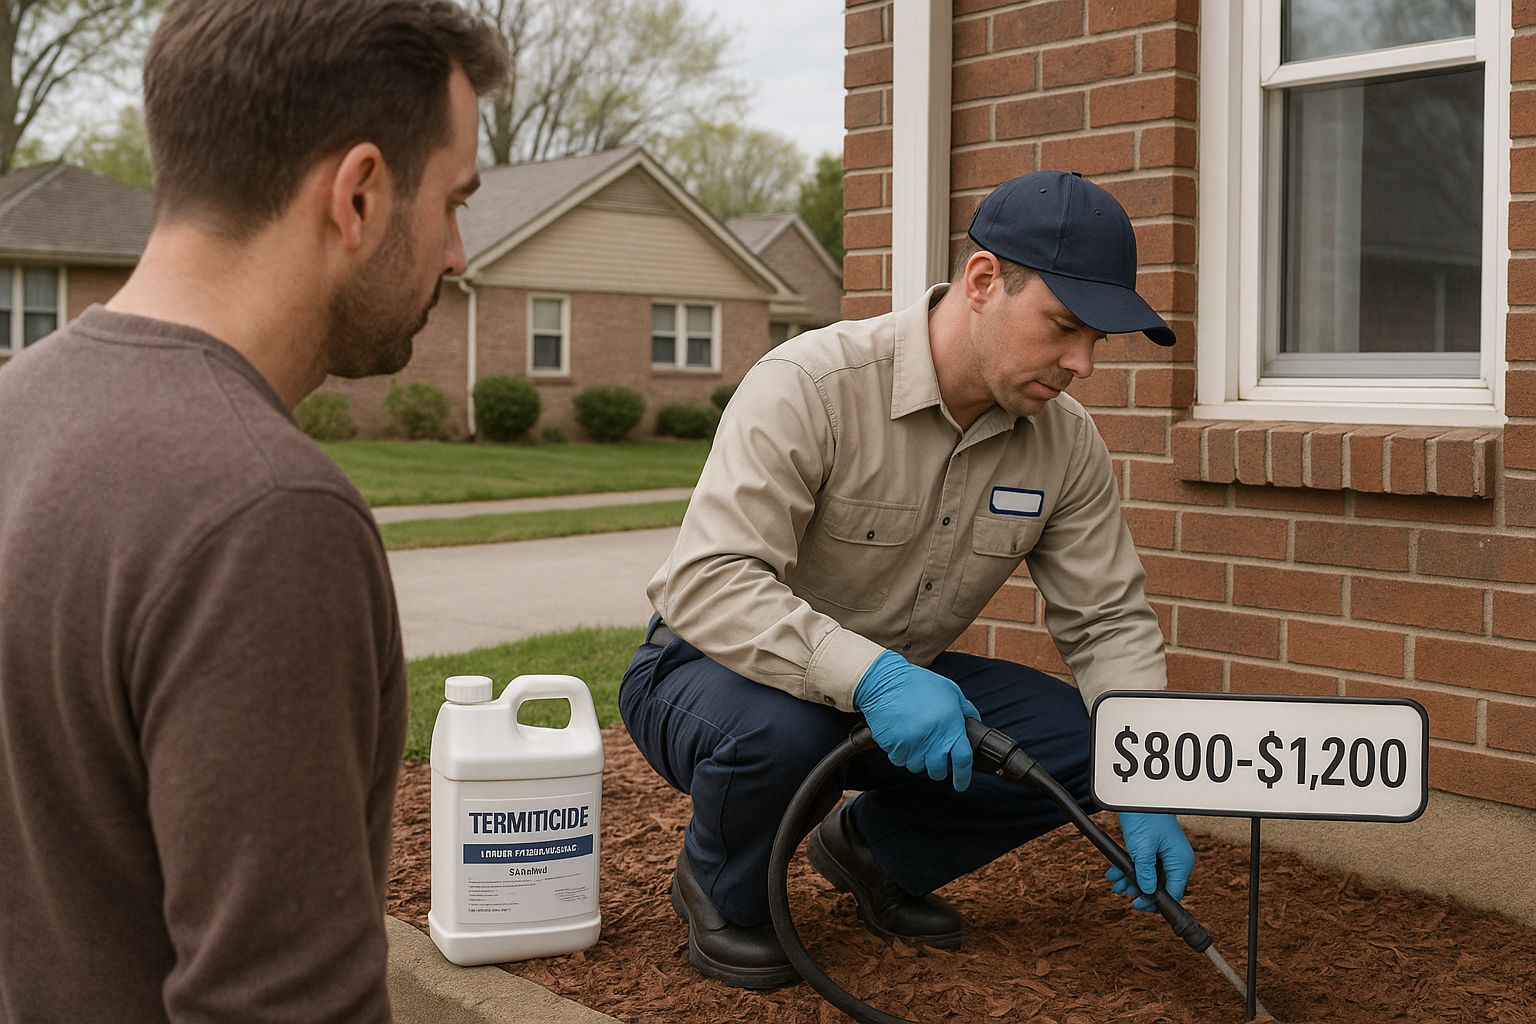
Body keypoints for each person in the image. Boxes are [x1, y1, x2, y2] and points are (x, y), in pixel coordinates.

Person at [0, 3, 507, 1021]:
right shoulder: (265, 515)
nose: (457, 254)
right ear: (359, 194)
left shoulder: (17, 406)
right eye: (454, 200)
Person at [621, 170, 1197, 989]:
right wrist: (873, 676)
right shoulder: (812, 385)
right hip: (713, 669)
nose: (1083, 364)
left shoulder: (1065, 444)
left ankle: (873, 855)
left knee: (1086, 744)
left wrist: (1146, 775)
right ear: (984, 281)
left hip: (900, 687)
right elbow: (709, 579)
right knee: (790, 730)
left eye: (1097, 341)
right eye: (1065, 327)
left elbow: (1105, 622)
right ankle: (719, 892)